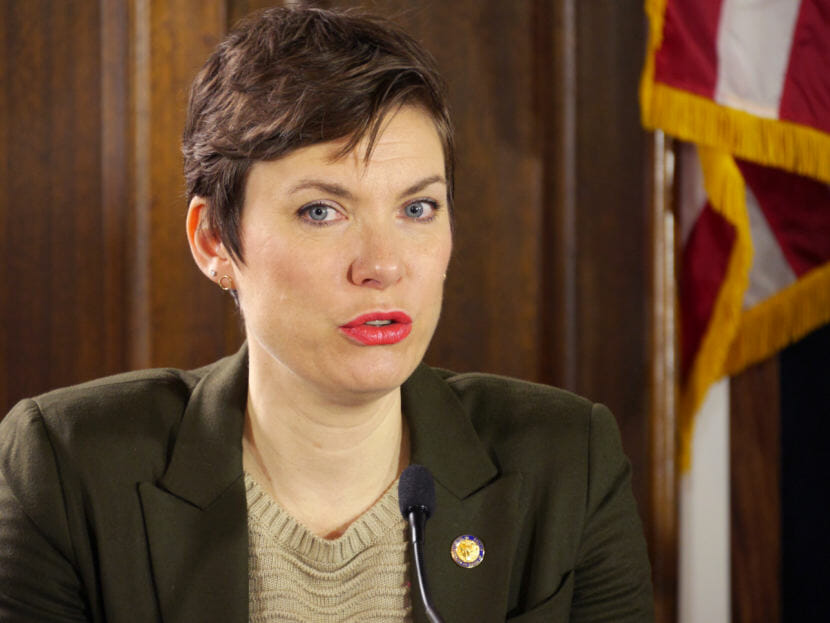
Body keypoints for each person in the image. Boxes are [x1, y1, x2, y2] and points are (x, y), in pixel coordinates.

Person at [0, 6, 653, 622]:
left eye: (417, 208)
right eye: (322, 210)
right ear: (214, 243)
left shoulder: (569, 462)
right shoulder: (65, 467)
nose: (382, 264)